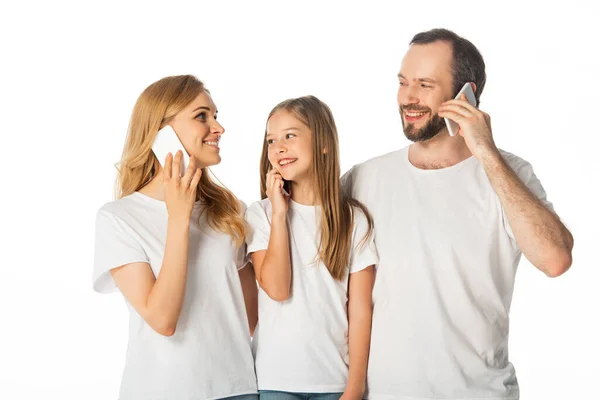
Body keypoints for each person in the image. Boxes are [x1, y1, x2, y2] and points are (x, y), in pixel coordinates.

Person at [342, 29, 574, 400]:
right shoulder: (362, 179)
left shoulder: (509, 174)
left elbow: (555, 259)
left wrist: (486, 152)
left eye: (424, 84)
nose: (408, 97)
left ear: (465, 96)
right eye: (403, 82)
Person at [92, 75, 258, 400]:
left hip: (236, 389)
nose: (218, 127)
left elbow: (248, 316)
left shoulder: (230, 210)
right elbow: (163, 320)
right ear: (161, 132)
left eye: (216, 115)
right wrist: (178, 217)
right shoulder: (118, 218)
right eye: (202, 116)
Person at [245, 95, 378, 400]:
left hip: (334, 383)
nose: (278, 148)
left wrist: (355, 387)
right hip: (274, 381)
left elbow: (360, 312)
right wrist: (279, 214)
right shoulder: (261, 214)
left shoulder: (353, 219)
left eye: (290, 136)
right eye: (271, 140)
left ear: (323, 143)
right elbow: (277, 289)